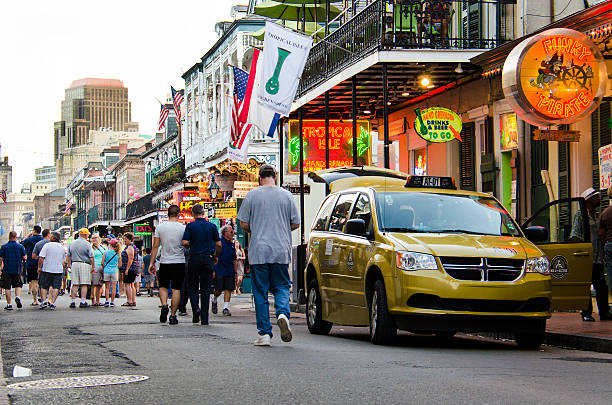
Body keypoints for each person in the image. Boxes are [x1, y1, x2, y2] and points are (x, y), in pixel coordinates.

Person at [237, 164, 300, 346]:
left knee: (260, 292)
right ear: (275, 176)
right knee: (281, 286)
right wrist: (280, 228)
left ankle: (264, 334)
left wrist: (256, 228)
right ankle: (282, 313)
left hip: (259, 250)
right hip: (280, 249)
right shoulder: (287, 196)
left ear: (259, 178)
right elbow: (295, 223)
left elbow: (243, 224)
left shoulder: (252, 195)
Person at [571, 188, 611, 321]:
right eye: (596, 198)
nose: (599, 200)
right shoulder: (580, 215)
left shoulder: (597, 215)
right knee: (586, 285)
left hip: (598, 257)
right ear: (589, 201)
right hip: (586, 256)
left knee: (601, 286)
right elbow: (575, 235)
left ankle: (604, 312)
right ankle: (586, 313)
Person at [182, 203, 221, 325]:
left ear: (193, 214)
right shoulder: (212, 226)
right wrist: (216, 256)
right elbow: (219, 244)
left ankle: (195, 309)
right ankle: (204, 318)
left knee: (192, 286)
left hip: (194, 258)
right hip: (208, 259)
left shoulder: (191, 226)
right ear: (203, 213)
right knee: (205, 289)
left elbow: (184, 242)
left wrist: (190, 245)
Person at [149, 205, 186, 325]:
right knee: (176, 289)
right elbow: (186, 244)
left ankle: (164, 304)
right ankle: (173, 315)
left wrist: (151, 262)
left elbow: (155, 246)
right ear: (178, 214)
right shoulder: (183, 228)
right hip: (179, 261)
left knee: (163, 286)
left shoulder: (160, 227)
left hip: (164, 261)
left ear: (167, 214)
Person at [67, 228, 95, 308]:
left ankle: (73, 301)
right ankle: (83, 301)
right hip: (84, 264)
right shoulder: (87, 244)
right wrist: (93, 266)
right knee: (84, 283)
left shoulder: (72, 243)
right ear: (85, 235)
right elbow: (91, 256)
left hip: (74, 263)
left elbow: (69, 255)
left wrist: (69, 264)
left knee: (75, 283)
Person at [212, 226, 237, 316]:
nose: (232, 233)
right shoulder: (218, 242)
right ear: (225, 233)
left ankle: (225, 308)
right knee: (218, 289)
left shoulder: (231, 244)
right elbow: (214, 257)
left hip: (229, 269)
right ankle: (214, 299)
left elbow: (234, 259)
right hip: (219, 268)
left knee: (228, 288)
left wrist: (235, 271)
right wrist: (213, 270)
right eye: (231, 232)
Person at [37, 232, 66, 309]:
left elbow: (41, 257)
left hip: (47, 269)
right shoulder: (62, 247)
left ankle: (43, 302)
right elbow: (63, 260)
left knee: (44, 286)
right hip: (58, 270)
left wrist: (39, 267)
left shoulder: (47, 245)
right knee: (56, 287)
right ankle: (52, 302)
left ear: (53, 238)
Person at [0, 231, 27, 310]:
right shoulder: (20, 247)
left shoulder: (4, 247)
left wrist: (0, 268)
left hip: (7, 270)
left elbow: (0, 258)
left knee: (7, 287)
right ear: (15, 237)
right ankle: (17, 297)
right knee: (18, 285)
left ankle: (9, 304)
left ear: (9, 237)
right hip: (17, 270)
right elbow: (24, 257)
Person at [21, 225, 43, 306]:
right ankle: (43, 298)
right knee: (42, 282)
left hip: (31, 263)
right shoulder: (42, 240)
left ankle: (35, 300)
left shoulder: (29, 240)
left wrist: (27, 236)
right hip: (42, 263)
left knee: (34, 282)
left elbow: (21, 244)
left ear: (33, 230)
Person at [599, 186, 612, 309]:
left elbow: (601, 235)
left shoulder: (605, 213)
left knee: (611, 275)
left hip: (609, 245)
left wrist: (602, 252)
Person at [31, 229, 51, 301]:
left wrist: (40, 259)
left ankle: (41, 297)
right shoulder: (52, 243)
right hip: (51, 266)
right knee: (51, 283)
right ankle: (49, 299)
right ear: (48, 234)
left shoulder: (38, 244)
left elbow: (33, 256)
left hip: (42, 265)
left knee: (41, 282)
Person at [121, 233, 139, 307]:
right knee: (131, 284)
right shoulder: (130, 247)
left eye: (125, 239)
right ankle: (132, 300)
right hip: (132, 268)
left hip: (130, 268)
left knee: (128, 284)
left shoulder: (130, 247)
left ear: (130, 239)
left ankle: (129, 301)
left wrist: (127, 269)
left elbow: (130, 258)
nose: (124, 240)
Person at [102, 239, 121, 307]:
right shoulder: (118, 254)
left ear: (110, 245)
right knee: (113, 287)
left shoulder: (105, 252)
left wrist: (106, 266)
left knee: (107, 287)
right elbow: (120, 264)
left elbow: (102, 262)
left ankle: (107, 301)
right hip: (114, 271)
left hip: (106, 271)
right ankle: (112, 302)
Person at [91, 233, 106, 306]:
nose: (94, 239)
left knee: (100, 284)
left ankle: (98, 300)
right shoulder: (91, 247)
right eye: (93, 238)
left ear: (99, 239)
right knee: (94, 284)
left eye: (96, 238)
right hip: (95, 266)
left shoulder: (103, 247)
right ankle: (93, 300)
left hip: (103, 266)